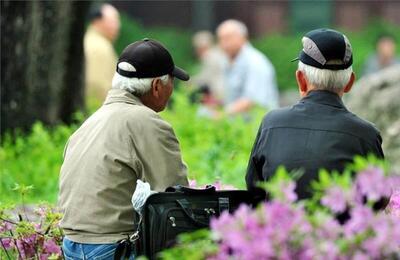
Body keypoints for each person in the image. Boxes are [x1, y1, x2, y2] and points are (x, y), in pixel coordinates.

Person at [58, 39, 190, 259]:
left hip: (72, 245)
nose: (172, 89)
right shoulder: (147, 122)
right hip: (112, 248)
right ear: (157, 86)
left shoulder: (90, 122)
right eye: (172, 82)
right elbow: (175, 198)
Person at [246, 28, 384, 199]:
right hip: (339, 226)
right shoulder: (367, 134)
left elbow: (254, 191)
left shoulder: (271, 124)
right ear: (349, 83)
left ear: (301, 80)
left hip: (282, 226)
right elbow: (379, 199)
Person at [216, 19, 279, 115]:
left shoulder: (255, 62)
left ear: (242, 38)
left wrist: (221, 115)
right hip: (239, 124)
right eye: (220, 39)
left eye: (227, 38)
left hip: (259, 126)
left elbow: (251, 101)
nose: (223, 44)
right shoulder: (227, 61)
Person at [84, 4, 120, 106]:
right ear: (97, 21)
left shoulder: (97, 42)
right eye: (113, 21)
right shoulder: (98, 47)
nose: (117, 26)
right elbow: (98, 86)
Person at [190, 31, 226, 105]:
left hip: (217, 93)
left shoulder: (208, 56)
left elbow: (205, 78)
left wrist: (190, 81)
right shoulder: (218, 52)